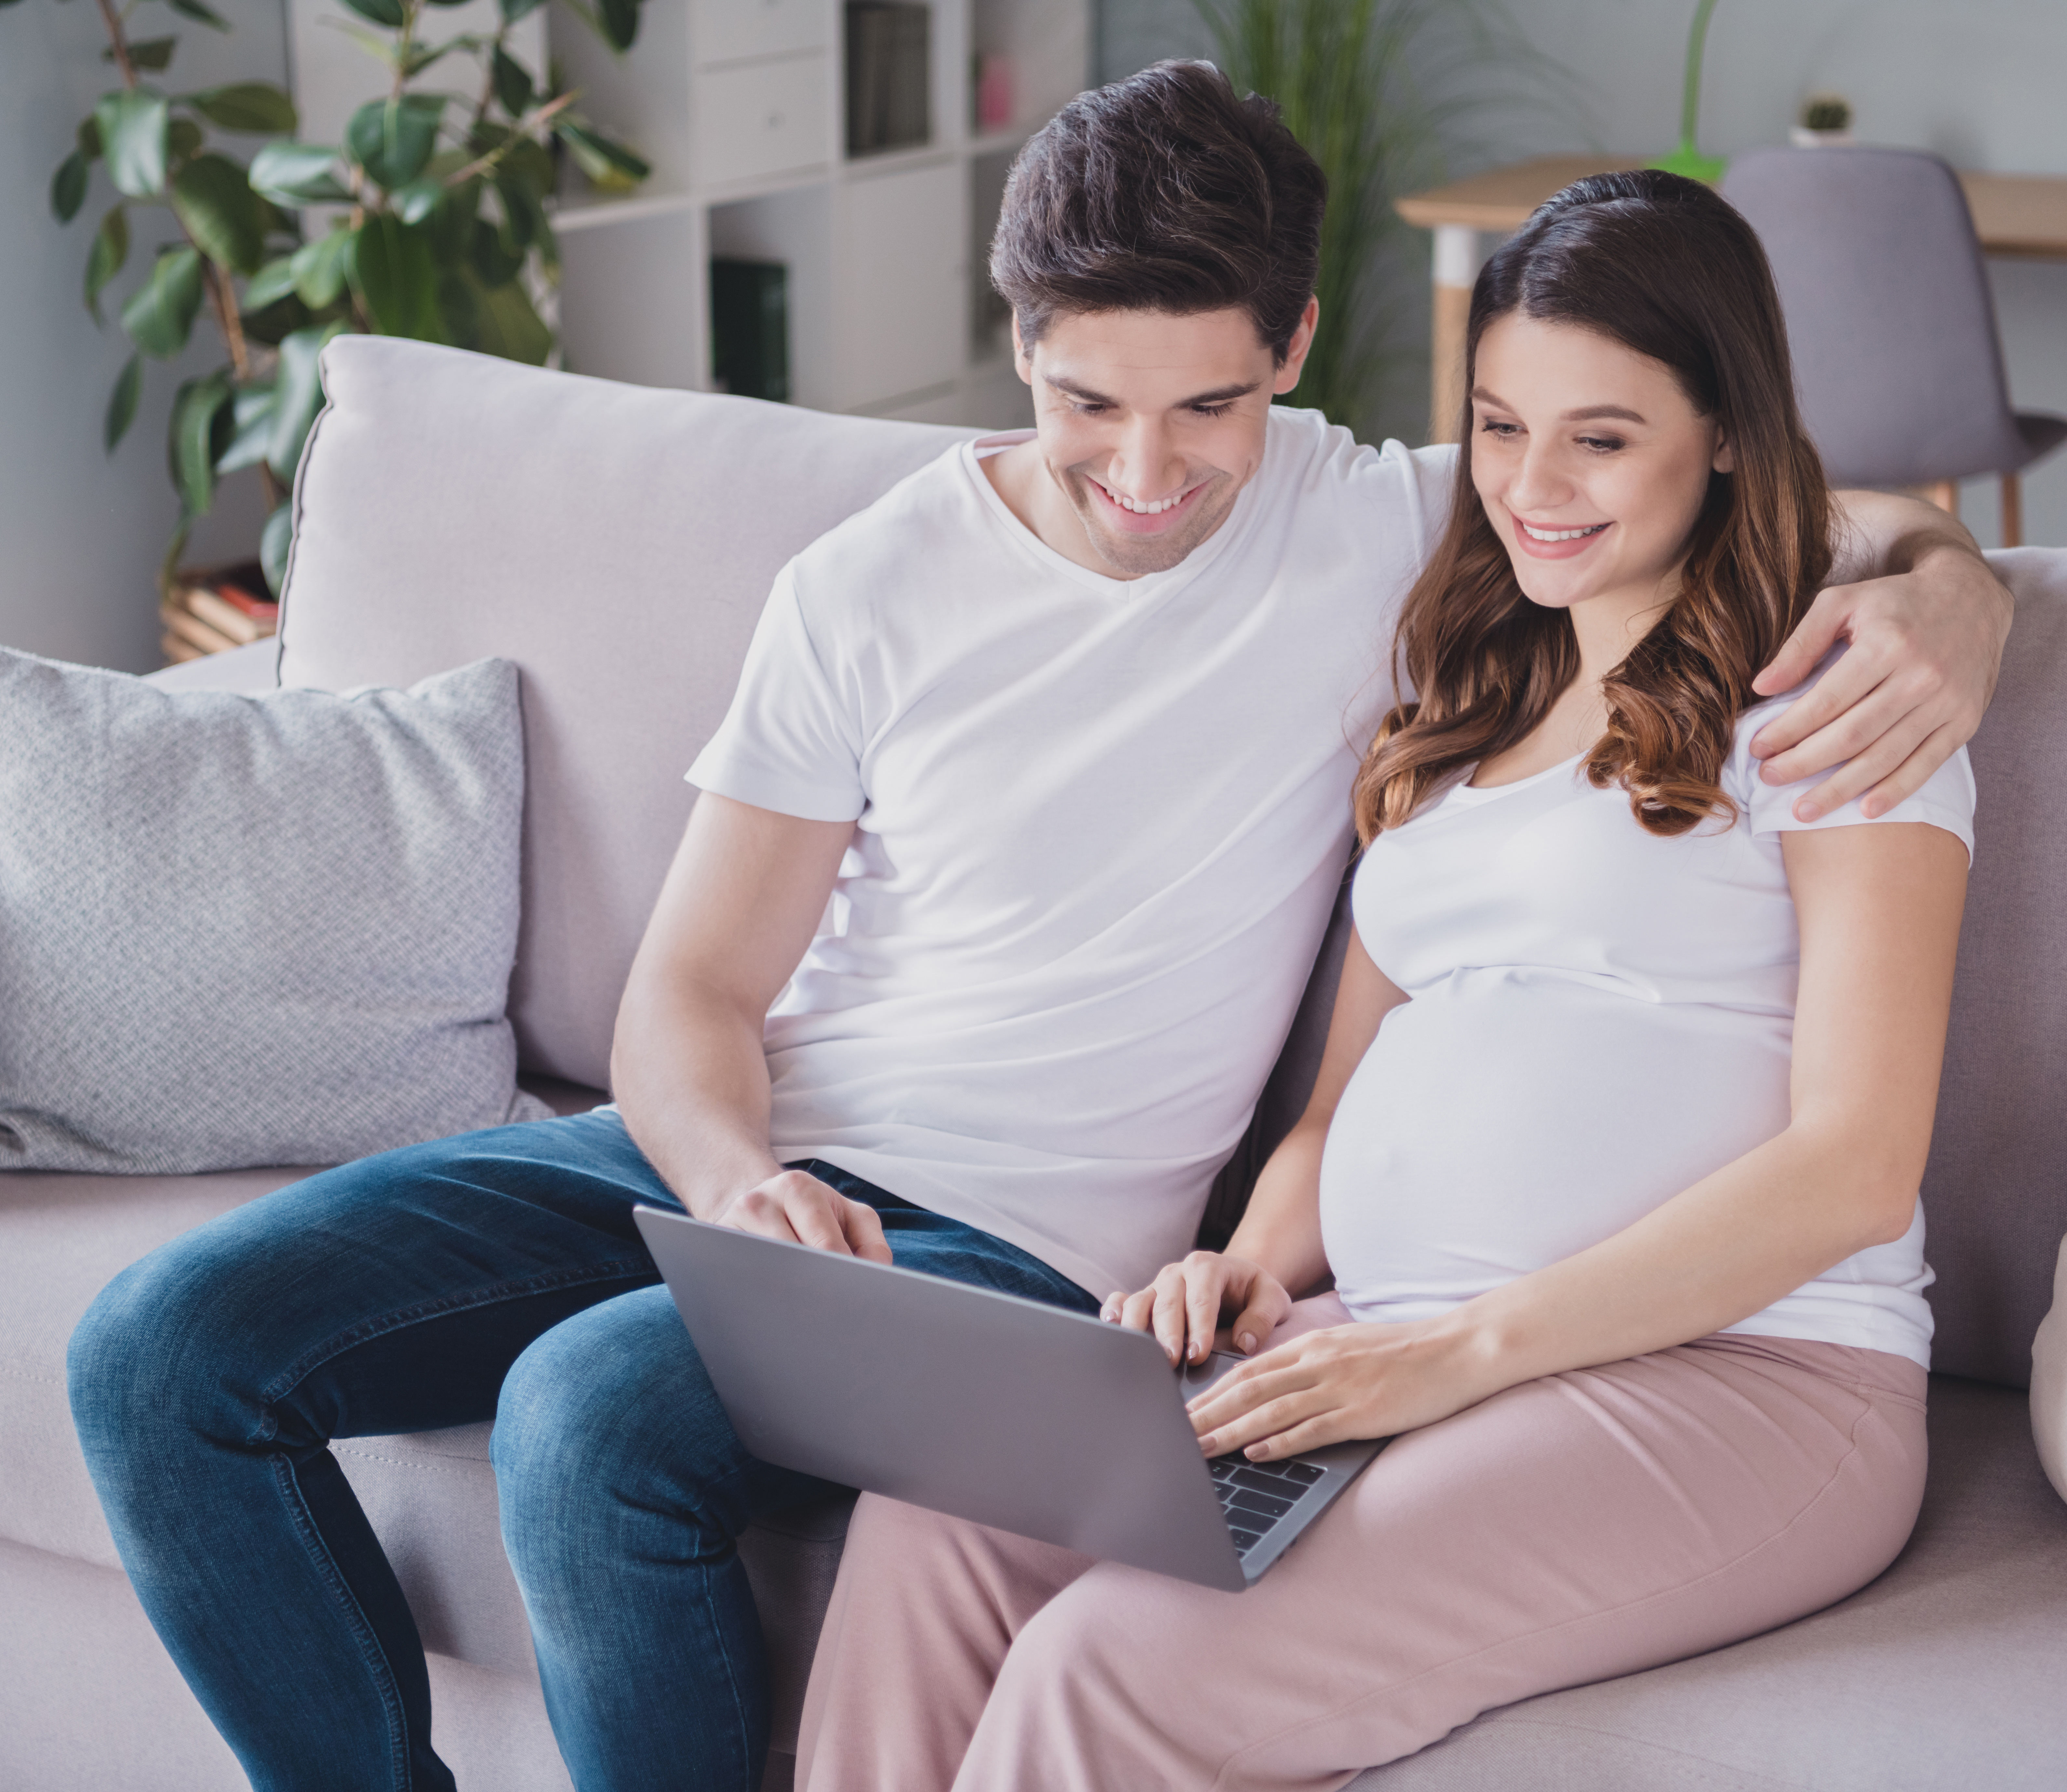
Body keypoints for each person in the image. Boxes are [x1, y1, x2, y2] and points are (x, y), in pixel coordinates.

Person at [63, 67, 2009, 1792]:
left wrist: (1953, 585)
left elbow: (1773, 510)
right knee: (157, 1356)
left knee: (589, 1417)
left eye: (1210, 405)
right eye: (1087, 400)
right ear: (1015, 345)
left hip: (1023, 1242)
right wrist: (739, 1184)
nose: (1151, 472)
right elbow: (694, 993)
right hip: (779, 1175)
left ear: (1301, 350)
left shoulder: (1396, 527)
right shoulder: (890, 584)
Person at [792, 165, 1972, 1792]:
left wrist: (1458, 1351)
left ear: (1726, 434)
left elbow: (1856, 1164)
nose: (1531, 485)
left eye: (1603, 436)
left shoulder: (1833, 717)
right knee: (942, 1513)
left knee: (1116, 1666)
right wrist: (1250, 1269)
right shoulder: (1453, 713)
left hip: (1750, 1372)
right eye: (1497, 425)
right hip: (1393, 1336)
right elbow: (1337, 1107)